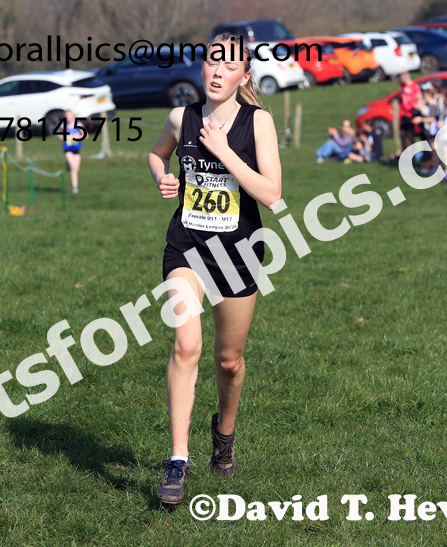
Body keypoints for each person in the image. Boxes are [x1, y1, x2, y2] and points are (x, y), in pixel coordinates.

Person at [147, 32, 281, 505]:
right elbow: (156, 153)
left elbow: (272, 194)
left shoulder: (258, 122)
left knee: (229, 361)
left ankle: (224, 433)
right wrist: (163, 177)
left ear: (244, 75)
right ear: (203, 68)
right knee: (187, 344)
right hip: (186, 248)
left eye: (230, 64)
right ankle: (177, 460)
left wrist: (225, 153)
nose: (219, 70)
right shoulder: (181, 117)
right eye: (212, 61)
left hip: (240, 252)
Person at [57, 110, 84, 193]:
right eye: (67, 116)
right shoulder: (63, 125)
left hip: (76, 149)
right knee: (73, 167)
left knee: (76, 169)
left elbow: (85, 134)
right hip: (67, 149)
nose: (68, 117)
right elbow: (59, 133)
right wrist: (63, 138)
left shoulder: (78, 124)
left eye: (69, 115)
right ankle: (75, 188)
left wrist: (78, 137)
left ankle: (75, 187)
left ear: (72, 115)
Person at [395, 71, 421, 157]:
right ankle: (405, 153)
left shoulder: (414, 86)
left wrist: (418, 105)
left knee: (410, 136)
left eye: (402, 76)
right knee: (402, 134)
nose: (400, 78)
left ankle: (412, 156)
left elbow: (419, 97)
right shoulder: (403, 86)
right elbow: (396, 79)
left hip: (411, 114)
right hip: (404, 114)